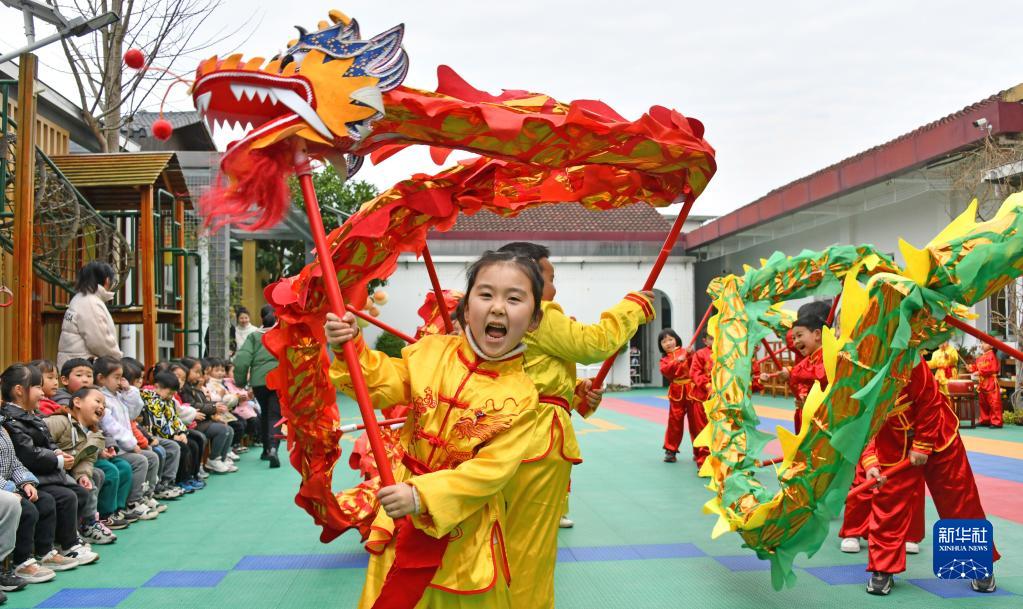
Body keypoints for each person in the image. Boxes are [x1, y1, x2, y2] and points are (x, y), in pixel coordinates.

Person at [326, 250, 542, 609]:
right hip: (401, 517)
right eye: (486, 294)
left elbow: (490, 472)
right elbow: (383, 385)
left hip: (463, 530)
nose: (498, 308)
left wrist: (421, 495)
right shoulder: (429, 352)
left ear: (533, 320)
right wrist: (349, 348)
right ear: (466, 308)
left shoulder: (522, 397)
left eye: (514, 298)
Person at [495, 242, 653, 609]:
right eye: (550, 278)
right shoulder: (537, 313)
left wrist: (575, 393)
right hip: (536, 439)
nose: (555, 289)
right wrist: (634, 307)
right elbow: (592, 344)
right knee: (530, 544)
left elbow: (529, 374)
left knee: (503, 534)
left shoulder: (500, 318)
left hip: (505, 431)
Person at [856, 360, 998, 595]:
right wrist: (870, 459)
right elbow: (859, 422)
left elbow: (930, 400)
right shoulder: (852, 368)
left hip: (938, 434)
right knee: (887, 502)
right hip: (891, 442)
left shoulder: (908, 357)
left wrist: (922, 444)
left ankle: (977, 565)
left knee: (959, 500)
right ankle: (882, 568)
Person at [0, 364, 96, 569]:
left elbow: (31, 451)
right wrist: (57, 460)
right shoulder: (11, 419)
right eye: (37, 387)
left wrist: (56, 453)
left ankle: (61, 545)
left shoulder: (27, 416)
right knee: (49, 501)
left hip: (27, 478)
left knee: (73, 493)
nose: (42, 393)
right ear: (19, 390)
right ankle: (27, 558)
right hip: (27, 477)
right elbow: (27, 453)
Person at [44, 388, 113, 545]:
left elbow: (87, 459)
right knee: (73, 489)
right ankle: (71, 532)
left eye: (104, 404)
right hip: (51, 468)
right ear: (77, 402)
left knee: (93, 477)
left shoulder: (95, 435)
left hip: (69, 469)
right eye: (97, 401)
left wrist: (82, 475)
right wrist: (56, 456)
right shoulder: (59, 421)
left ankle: (88, 523)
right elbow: (40, 440)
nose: (102, 406)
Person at [94, 357, 160, 522]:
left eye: (121, 377)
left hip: (126, 446)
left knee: (151, 456)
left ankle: (145, 494)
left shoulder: (117, 396)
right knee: (140, 461)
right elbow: (111, 427)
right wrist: (132, 444)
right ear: (101, 378)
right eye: (116, 378)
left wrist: (129, 391)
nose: (120, 381)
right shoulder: (102, 399)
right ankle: (132, 502)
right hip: (117, 447)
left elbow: (134, 412)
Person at [0, 423, 55, 586]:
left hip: (6, 484)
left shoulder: (2, 427)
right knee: (26, 510)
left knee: (44, 500)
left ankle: (40, 553)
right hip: (3, 487)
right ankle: (15, 562)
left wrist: (25, 483)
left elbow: (14, 462)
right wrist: (9, 488)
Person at [234, 308, 281, 468]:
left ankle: (266, 449)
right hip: (279, 379)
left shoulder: (254, 336)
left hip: (259, 381)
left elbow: (242, 358)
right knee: (275, 415)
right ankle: (273, 448)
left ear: (261, 320)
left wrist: (239, 382)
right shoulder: (282, 334)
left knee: (265, 412)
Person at [56, 261, 122, 370]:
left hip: (74, 365)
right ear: (107, 280)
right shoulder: (91, 302)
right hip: (84, 366)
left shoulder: (80, 298)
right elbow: (100, 341)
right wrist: (116, 359)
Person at [659, 329, 708, 467]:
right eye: (664, 341)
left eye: (670, 339)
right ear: (660, 345)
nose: (668, 343)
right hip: (676, 392)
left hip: (692, 391)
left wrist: (691, 355)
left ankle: (699, 451)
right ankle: (670, 450)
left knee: (696, 422)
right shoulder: (664, 360)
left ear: (676, 339)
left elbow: (696, 366)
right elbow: (666, 372)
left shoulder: (687, 351)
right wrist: (677, 361)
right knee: (674, 422)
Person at [180, 357, 236, 474]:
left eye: (201, 372)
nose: (200, 375)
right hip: (194, 423)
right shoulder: (186, 389)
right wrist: (214, 408)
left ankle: (221, 458)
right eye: (196, 372)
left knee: (229, 429)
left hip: (204, 421)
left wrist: (216, 407)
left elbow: (205, 403)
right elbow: (193, 405)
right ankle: (213, 459)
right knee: (222, 430)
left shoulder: (195, 387)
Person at [968, 343, 1003, 428]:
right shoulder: (980, 357)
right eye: (981, 343)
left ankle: (996, 422)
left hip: (990, 382)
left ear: (991, 345)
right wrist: (971, 368)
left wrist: (979, 372)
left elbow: (992, 369)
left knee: (994, 402)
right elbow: (977, 368)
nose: (982, 345)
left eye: (984, 343)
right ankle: (985, 420)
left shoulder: (992, 356)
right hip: (983, 382)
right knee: (983, 402)